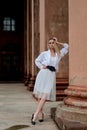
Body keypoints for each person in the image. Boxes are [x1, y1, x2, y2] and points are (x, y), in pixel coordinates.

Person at [31, 37, 69, 125]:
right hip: (43, 74)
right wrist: (41, 66)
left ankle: (35, 114)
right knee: (40, 96)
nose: (51, 44)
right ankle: (40, 113)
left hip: (51, 76)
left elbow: (67, 46)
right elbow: (37, 61)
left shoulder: (59, 54)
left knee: (45, 95)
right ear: (48, 45)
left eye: (53, 43)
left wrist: (58, 41)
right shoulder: (44, 53)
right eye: (50, 43)